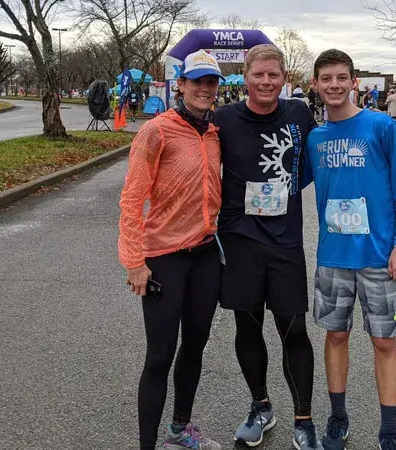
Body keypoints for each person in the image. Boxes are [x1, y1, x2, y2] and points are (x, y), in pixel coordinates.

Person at [306, 48, 396, 450]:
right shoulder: (315, 138)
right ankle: (338, 418)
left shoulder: (381, 127)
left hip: (379, 257)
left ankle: (389, 430)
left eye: (341, 78)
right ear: (315, 85)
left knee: (384, 342)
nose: (334, 85)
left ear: (354, 82)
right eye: (326, 79)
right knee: (335, 337)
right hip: (334, 257)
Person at [214, 44, 323, 450]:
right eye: (258, 74)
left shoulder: (298, 114)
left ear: (283, 78)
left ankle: (304, 418)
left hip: (285, 241)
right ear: (245, 76)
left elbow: (316, 159)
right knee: (248, 327)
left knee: (294, 329)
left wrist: (291, 186)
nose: (265, 82)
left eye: (273, 75)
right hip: (240, 239)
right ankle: (261, 406)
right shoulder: (224, 119)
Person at [118, 49, 224, 450]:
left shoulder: (215, 133)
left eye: (210, 82)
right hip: (164, 257)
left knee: (195, 344)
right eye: (196, 81)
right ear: (180, 84)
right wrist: (134, 261)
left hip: (206, 255)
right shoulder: (156, 131)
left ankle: (180, 430)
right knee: (160, 355)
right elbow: (131, 199)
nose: (203, 88)